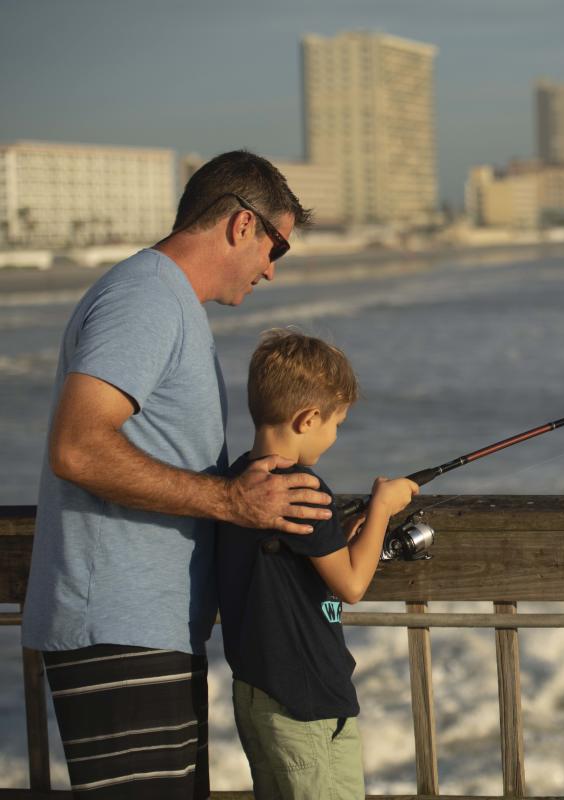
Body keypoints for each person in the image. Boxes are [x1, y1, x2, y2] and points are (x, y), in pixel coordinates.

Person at [21, 151, 333, 799]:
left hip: (143, 628)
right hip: (118, 626)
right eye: (277, 247)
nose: (272, 270)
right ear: (241, 226)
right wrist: (230, 500)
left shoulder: (164, 299)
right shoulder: (145, 299)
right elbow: (77, 447)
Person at [217, 329, 418, 799]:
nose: (335, 435)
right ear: (308, 419)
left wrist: (348, 536)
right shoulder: (305, 491)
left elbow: (288, 563)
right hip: (307, 701)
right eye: (336, 423)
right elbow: (350, 585)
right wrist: (383, 507)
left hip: (257, 693)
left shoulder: (235, 485)